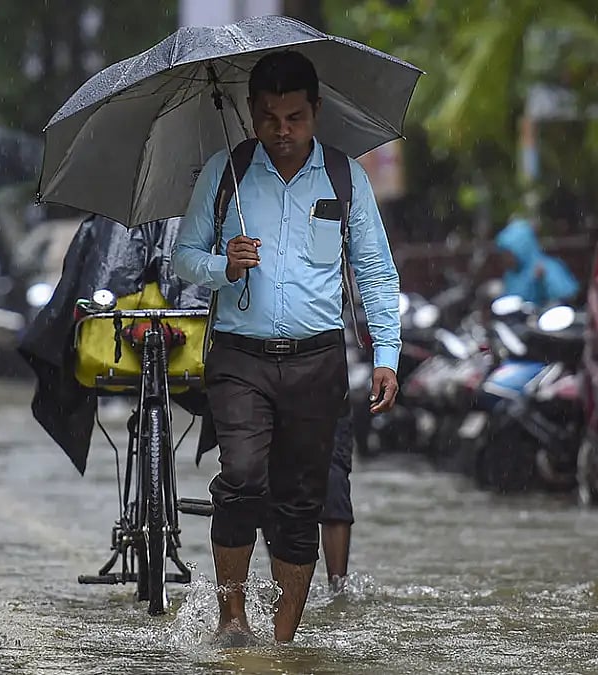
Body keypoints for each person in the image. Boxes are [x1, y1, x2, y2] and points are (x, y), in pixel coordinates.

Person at [173, 50, 401, 644]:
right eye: (269, 117)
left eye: (294, 117)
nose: (281, 131)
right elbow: (184, 257)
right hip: (240, 359)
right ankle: (231, 619)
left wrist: (386, 356)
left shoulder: (346, 178)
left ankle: (281, 643)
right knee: (243, 476)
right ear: (250, 112)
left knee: (303, 499)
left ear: (315, 112)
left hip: (317, 360)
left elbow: (375, 271)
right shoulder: (226, 174)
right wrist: (225, 266)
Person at [494, 218, 580, 306]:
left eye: (509, 254)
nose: (505, 258)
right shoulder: (510, 275)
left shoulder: (549, 268)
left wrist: (542, 282)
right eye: (503, 254)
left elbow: (566, 295)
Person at [321, 413, 355, 594]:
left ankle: (338, 591)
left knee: (334, 481)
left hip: (330, 392)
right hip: (267, 389)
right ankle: (283, 587)